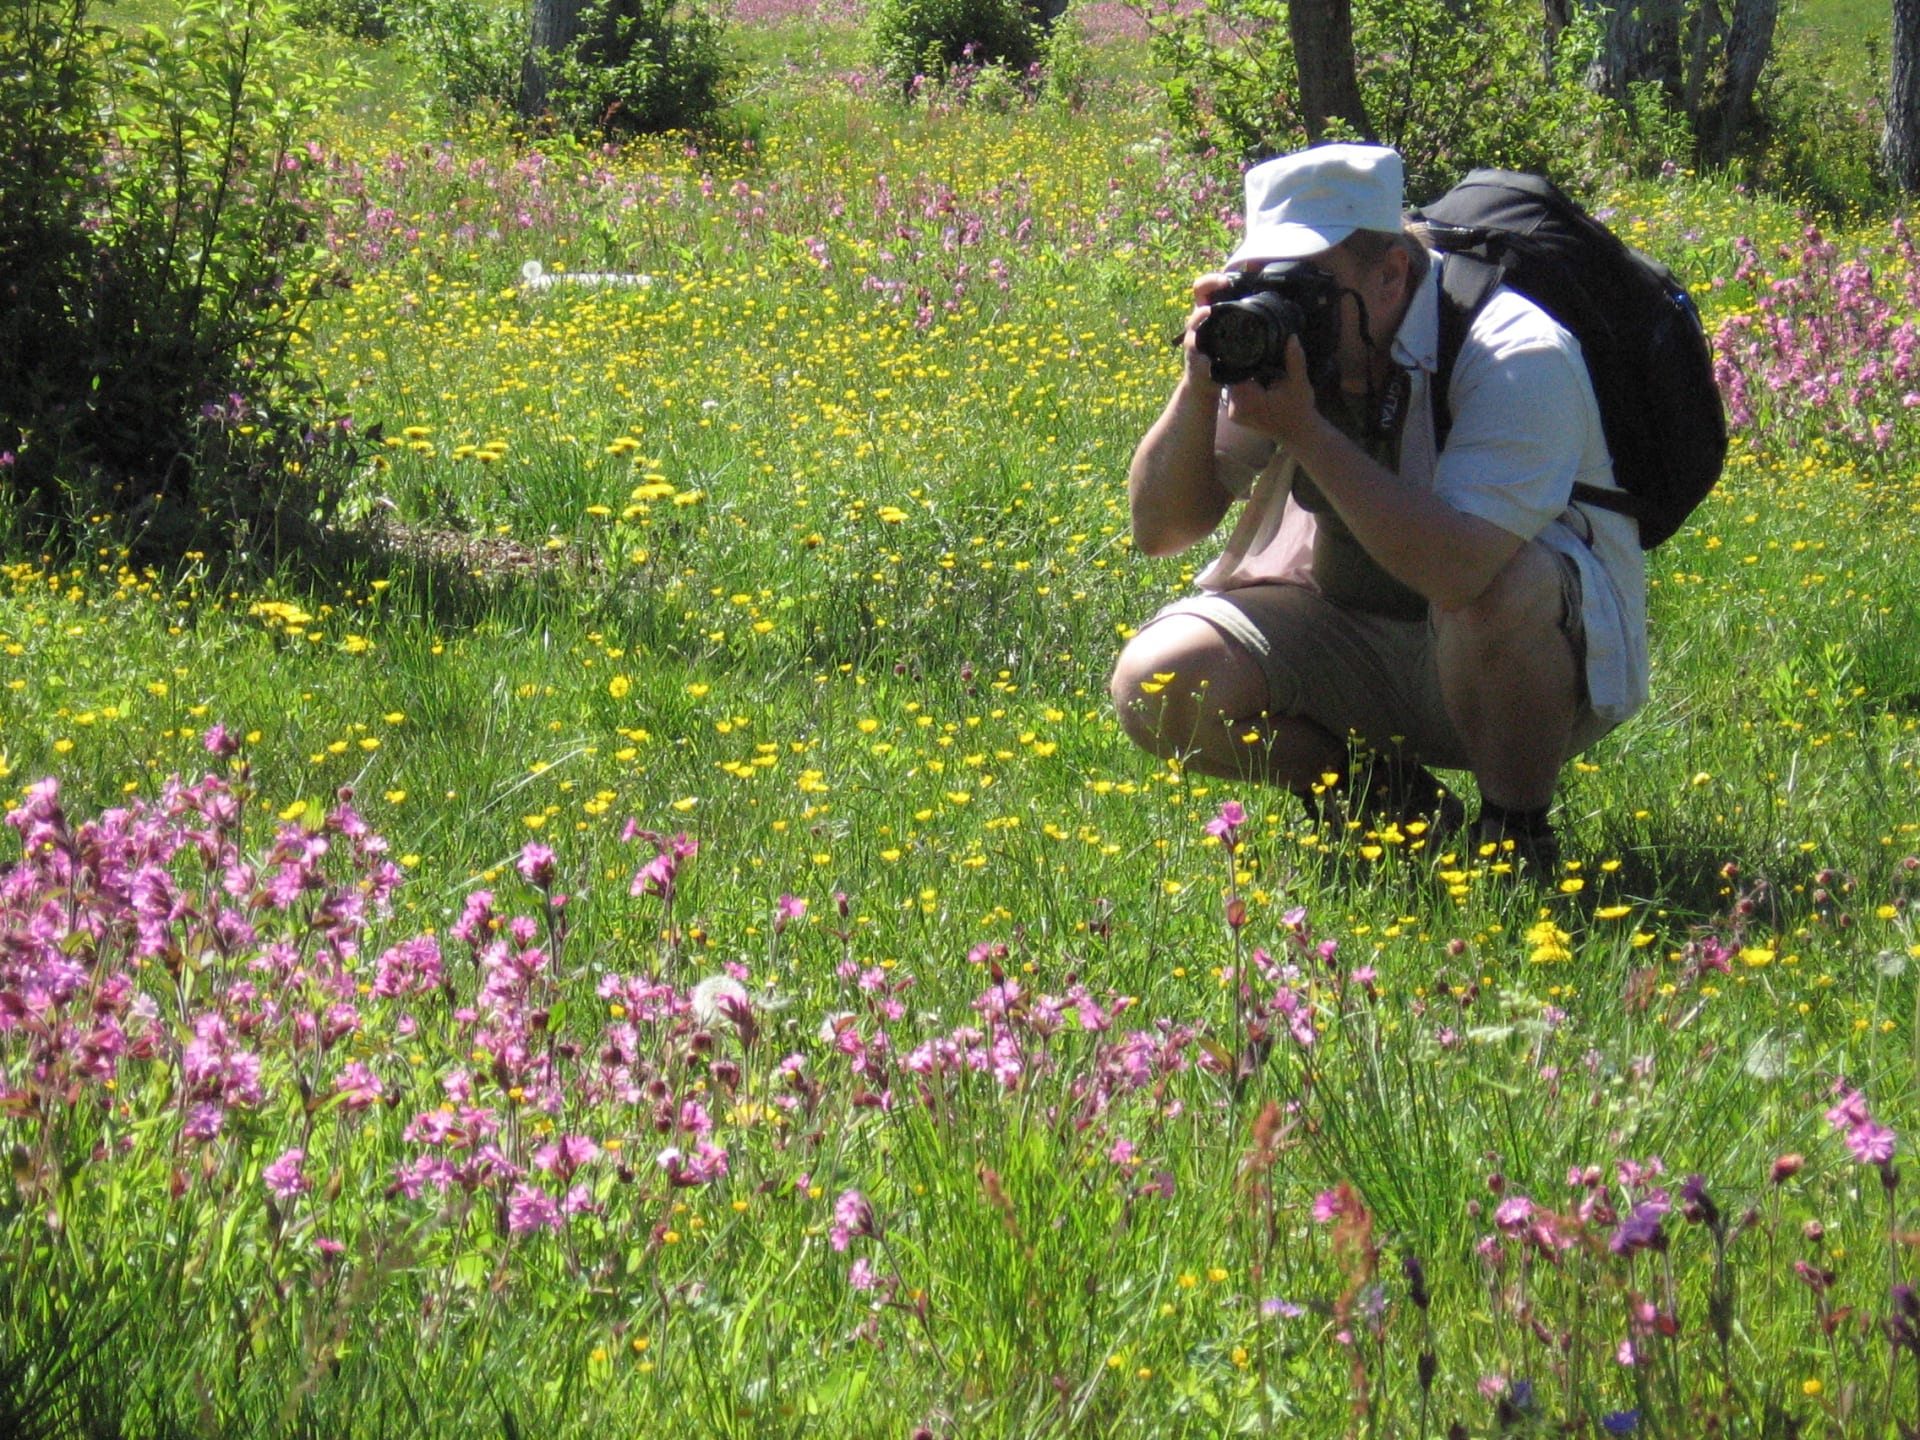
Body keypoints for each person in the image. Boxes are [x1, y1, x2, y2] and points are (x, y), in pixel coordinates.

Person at [1109, 144, 1648, 871]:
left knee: (1502, 586)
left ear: (1391, 273)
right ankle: (1390, 802)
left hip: (1522, 667)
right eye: (1262, 281)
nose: (1285, 306)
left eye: (1306, 285)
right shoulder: (1291, 337)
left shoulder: (1515, 350)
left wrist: (1305, 430)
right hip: (1355, 628)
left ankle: (1515, 836)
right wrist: (1201, 382)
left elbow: (1459, 573)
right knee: (1158, 681)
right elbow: (1160, 529)